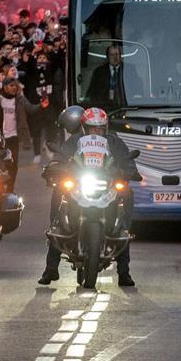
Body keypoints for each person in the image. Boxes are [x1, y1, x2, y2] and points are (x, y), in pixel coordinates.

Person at [39, 107, 140, 287]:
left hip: (106, 184)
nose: (97, 132)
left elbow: (126, 160)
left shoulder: (114, 142)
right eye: (93, 128)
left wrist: (130, 171)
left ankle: (124, 272)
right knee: (59, 198)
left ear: (106, 128)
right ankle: (51, 268)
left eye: (100, 128)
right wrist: (54, 168)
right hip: (79, 182)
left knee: (126, 198)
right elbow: (61, 157)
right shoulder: (75, 141)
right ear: (84, 127)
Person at [0, 77, 46, 190]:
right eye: (11, 86)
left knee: (13, 165)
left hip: (13, 137)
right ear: (4, 87)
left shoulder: (20, 99)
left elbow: (31, 109)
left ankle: (10, 188)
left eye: (15, 86)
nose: (14, 88)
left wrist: (41, 106)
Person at [86, 43, 143, 110]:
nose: (115, 57)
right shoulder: (99, 72)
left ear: (121, 56)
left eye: (117, 54)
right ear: (107, 57)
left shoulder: (130, 69)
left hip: (127, 106)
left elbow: (138, 87)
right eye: (112, 55)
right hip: (105, 108)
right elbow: (92, 93)